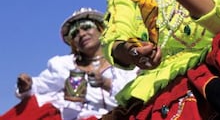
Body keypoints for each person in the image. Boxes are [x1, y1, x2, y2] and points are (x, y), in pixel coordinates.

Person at [1, 8, 139, 120]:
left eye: (86, 27)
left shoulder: (121, 58)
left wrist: (105, 83)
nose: (81, 34)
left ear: (100, 30)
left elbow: (134, 93)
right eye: (75, 33)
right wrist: (27, 85)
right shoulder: (64, 65)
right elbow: (41, 87)